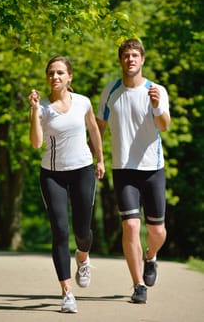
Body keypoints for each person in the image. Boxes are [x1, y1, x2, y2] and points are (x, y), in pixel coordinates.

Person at [28, 56, 105, 313]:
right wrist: (33, 111)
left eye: (60, 72)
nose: (55, 77)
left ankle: (82, 257)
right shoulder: (42, 108)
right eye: (51, 73)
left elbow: (93, 129)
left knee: (83, 231)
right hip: (53, 175)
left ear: (70, 76)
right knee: (60, 231)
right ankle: (67, 293)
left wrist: (100, 159)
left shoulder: (83, 102)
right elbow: (36, 143)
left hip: (83, 169)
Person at [96, 39, 170, 304]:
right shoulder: (111, 90)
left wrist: (157, 106)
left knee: (157, 231)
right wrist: (98, 157)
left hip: (152, 169)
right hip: (123, 169)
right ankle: (138, 285)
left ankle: (151, 257)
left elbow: (164, 125)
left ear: (142, 60)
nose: (130, 60)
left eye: (135, 55)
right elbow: (98, 126)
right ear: (121, 61)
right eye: (126, 55)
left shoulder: (156, 89)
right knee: (129, 226)